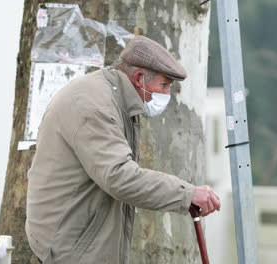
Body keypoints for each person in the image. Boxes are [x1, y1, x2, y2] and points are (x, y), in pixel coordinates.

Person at [25, 35, 221, 264]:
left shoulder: (115, 97)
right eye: (164, 85)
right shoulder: (94, 104)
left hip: (77, 241)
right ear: (139, 78)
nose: (167, 94)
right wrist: (187, 194)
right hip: (71, 248)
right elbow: (119, 176)